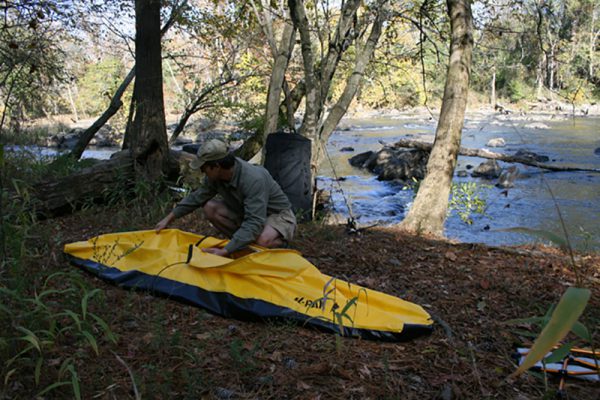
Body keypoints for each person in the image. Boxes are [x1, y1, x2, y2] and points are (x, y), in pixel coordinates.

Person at [155, 139, 296, 257]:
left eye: (204, 168)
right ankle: (242, 244)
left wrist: (225, 251)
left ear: (216, 166)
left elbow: (255, 221)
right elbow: (197, 197)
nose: (202, 172)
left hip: (277, 217)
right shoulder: (215, 177)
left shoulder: (253, 179)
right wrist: (168, 218)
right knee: (210, 208)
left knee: (262, 240)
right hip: (247, 213)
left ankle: (275, 243)